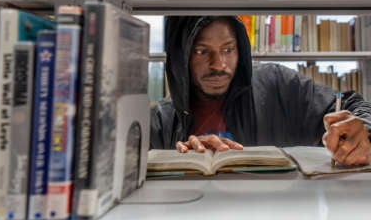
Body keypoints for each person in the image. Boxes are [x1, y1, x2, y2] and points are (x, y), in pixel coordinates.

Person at [150, 16, 371, 166]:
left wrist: (364, 131)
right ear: (182, 58)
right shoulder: (162, 120)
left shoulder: (278, 85)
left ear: (240, 50)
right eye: (201, 51)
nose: (218, 64)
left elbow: (351, 105)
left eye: (228, 49)